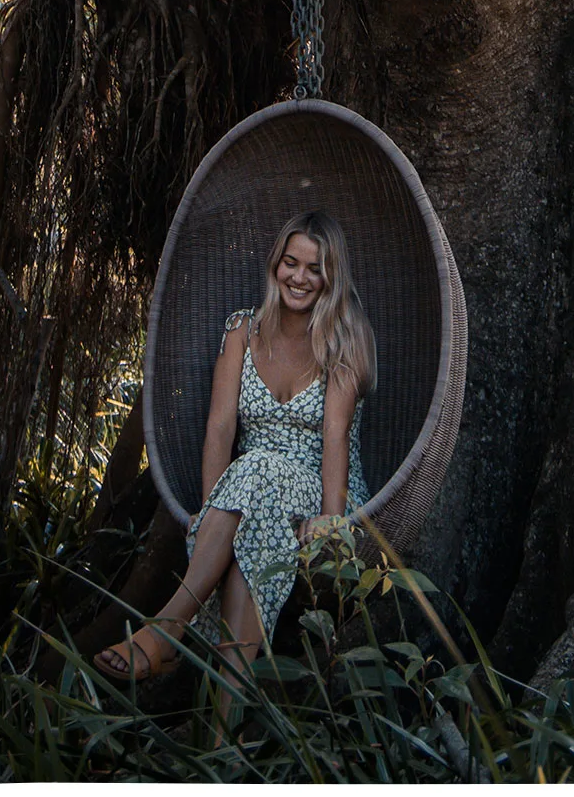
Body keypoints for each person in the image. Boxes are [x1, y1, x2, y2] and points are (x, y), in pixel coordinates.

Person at [94, 210, 375, 683]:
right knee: (249, 535)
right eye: (291, 263)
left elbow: (335, 435)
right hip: (248, 494)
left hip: (318, 490)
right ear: (275, 265)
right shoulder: (242, 330)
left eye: (314, 269)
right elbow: (220, 427)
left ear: (331, 277)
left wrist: (331, 516)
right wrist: (212, 516)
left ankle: (165, 629)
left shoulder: (340, 341)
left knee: (259, 467)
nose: (299, 278)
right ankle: (227, 732)